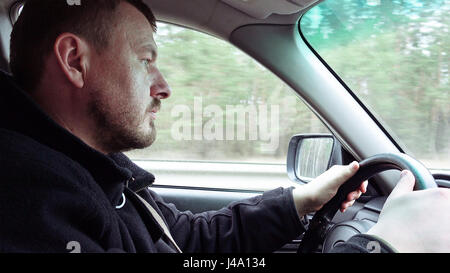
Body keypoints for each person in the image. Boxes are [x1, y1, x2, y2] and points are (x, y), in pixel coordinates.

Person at [0, 0, 448, 253]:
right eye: (145, 61)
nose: (164, 87)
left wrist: (301, 202)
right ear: (75, 61)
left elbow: (187, 243)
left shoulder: (99, 170)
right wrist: (387, 245)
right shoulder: (27, 197)